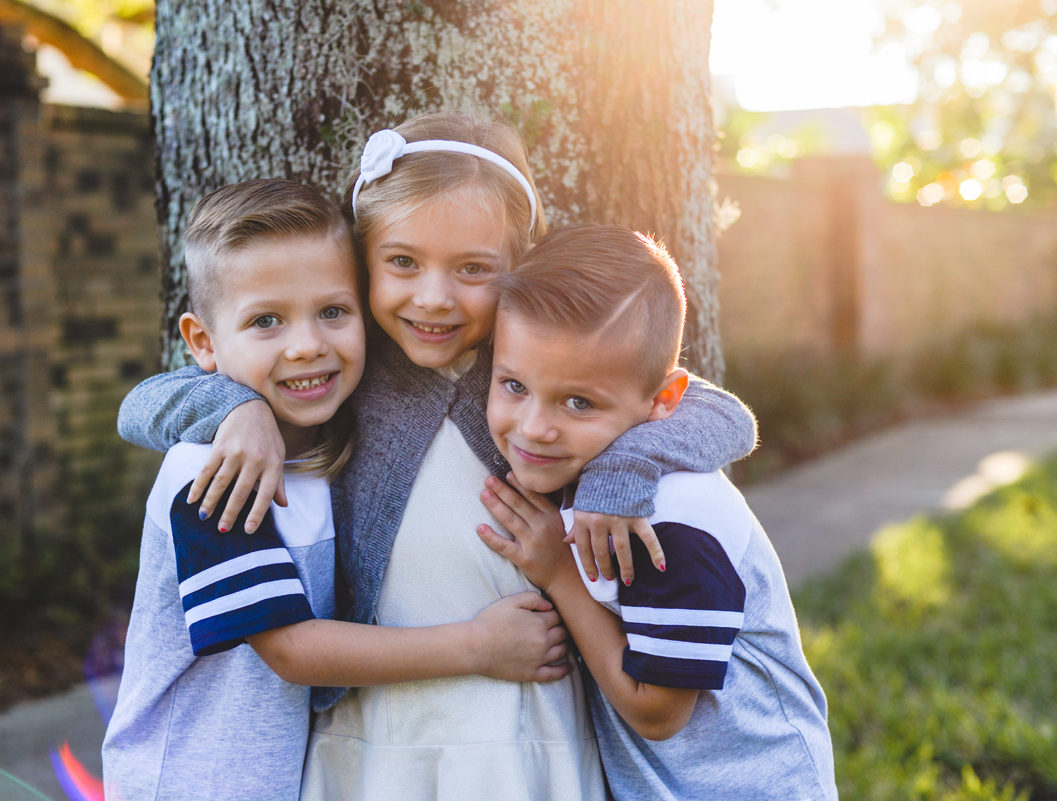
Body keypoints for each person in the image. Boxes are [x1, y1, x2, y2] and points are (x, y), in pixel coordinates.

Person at [116, 112, 758, 800]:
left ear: (518, 268)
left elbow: (718, 415)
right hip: (375, 736)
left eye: (474, 269)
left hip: (528, 727)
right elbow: (145, 403)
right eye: (401, 262)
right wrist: (233, 410)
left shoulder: (530, 377)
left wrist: (618, 473)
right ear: (364, 264)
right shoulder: (343, 373)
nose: (433, 298)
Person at [101, 179, 573, 801]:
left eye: (332, 312)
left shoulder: (326, 446)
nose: (307, 346)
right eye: (266, 321)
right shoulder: (212, 475)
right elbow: (293, 650)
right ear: (202, 344)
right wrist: (477, 647)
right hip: (191, 781)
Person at [477, 223, 838, 801]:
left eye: (578, 402)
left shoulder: (670, 522)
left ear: (664, 401)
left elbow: (658, 714)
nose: (535, 427)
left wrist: (557, 573)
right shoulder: (590, 464)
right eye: (513, 384)